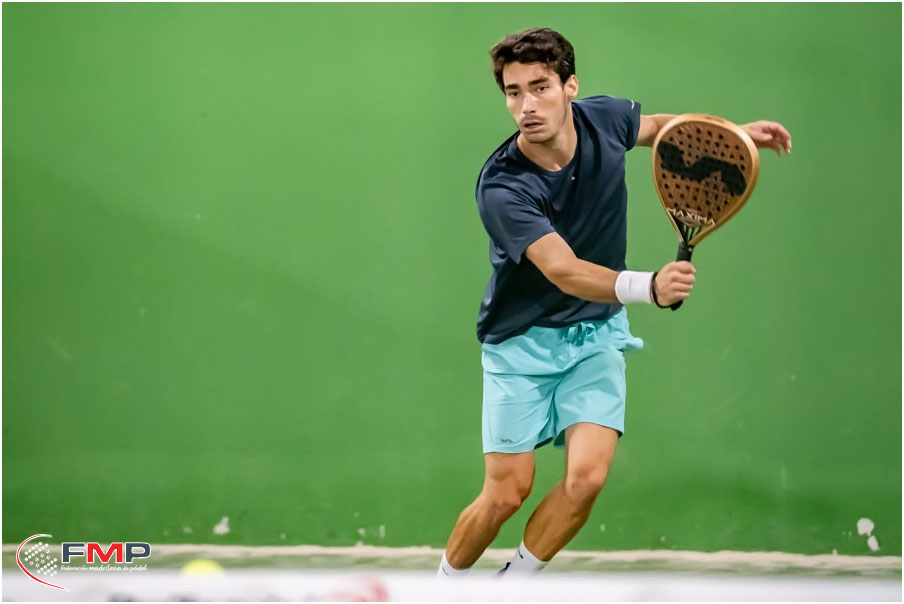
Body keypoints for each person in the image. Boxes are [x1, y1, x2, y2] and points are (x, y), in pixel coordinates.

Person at [437, 27, 792, 577]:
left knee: (587, 480)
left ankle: (510, 587)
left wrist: (733, 137)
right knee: (506, 494)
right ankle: (445, 587)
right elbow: (564, 270)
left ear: (570, 86)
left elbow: (662, 130)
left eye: (540, 87)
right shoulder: (503, 185)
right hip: (521, 344)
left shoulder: (603, 119)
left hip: (595, 334)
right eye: (513, 92)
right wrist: (648, 287)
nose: (526, 105)